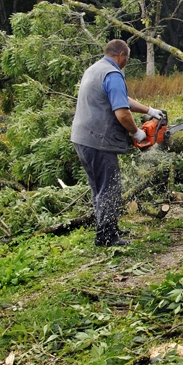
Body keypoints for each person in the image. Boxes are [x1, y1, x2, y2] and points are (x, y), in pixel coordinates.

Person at [71, 39, 163, 247]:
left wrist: (149, 110)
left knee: (99, 188)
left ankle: (107, 227)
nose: (126, 63)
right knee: (110, 187)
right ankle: (106, 237)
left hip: (83, 138)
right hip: (98, 140)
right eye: (126, 59)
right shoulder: (112, 74)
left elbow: (121, 99)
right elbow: (122, 113)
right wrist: (137, 132)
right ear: (121, 55)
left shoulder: (95, 69)